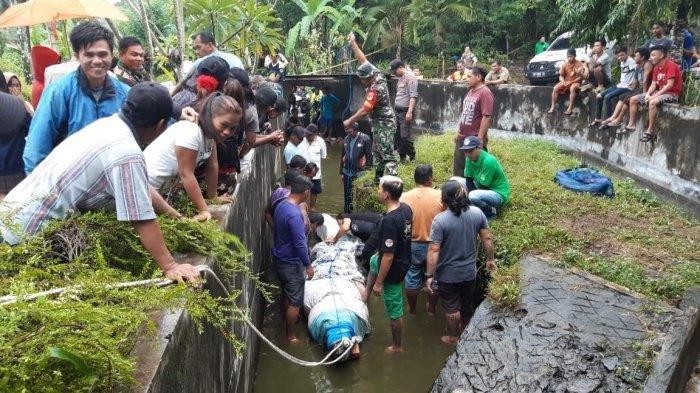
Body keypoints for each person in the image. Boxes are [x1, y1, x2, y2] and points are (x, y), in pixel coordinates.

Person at [0, 83, 201, 283]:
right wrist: (170, 266)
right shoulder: (126, 151)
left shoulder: (108, 126)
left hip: (9, 216)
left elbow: (140, 188)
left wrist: (176, 217)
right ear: (160, 125)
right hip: (23, 238)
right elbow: (141, 217)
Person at [23, 22, 130, 174]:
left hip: (112, 179)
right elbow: (37, 146)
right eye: (89, 54)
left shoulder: (125, 93)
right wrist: (37, 189)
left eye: (102, 54)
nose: (97, 60)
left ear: (111, 55)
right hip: (69, 180)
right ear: (77, 56)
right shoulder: (59, 92)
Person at [144, 93, 241, 221]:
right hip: (146, 190)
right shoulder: (192, 132)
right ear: (209, 117)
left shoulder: (210, 136)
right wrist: (204, 210)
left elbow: (212, 166)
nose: (227, 132)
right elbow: (186, 174)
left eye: (233, 128)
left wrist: (213, 198)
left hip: (160, 194)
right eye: (224, 125)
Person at [426, 180, 495, 345]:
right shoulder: (478, 213)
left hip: (447, 275)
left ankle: (452, 337)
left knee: (451, 308)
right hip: (469, 272)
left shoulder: (440, 220)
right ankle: (466, 334)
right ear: (464, 194)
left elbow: (434, 250)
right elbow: (487, 238)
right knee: (466, 306)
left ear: (444, 199)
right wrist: (490, 259)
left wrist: (429, 274)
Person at [364, 176, 412, 354]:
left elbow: (389, 257)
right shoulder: (406, 208)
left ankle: (397, 346)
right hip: (403, 259)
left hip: (393, 269)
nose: (378, 191)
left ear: (386, 194)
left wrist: (378, 283)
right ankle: (365, 298)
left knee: (394, 310)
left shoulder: (390, 220)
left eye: (379, 189)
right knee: (374, 260)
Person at [343, 33, 398, 183]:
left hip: (384, 123)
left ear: (369, 77)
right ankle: (377, 181)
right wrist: (353, 43)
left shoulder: (376, 89)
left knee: (387, 154)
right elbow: (363, 59)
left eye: (362, 79)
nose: (361, 81)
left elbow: (364, 110)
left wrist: (349, 120)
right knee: (377, 153)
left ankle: (393, 185)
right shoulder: (376, 74)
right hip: (377, 123)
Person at [272, 175, 315, 342]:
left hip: (280, 258)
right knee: (296, 301)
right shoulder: (295, 214)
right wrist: (308, 265)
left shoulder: (281, 206)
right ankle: (291, 336)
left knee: (286, 294)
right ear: (305, 192)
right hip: (291, 262)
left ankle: (284, 322)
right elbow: (300, 245)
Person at [399, 165, 442, 315]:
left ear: (415, 178)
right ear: (430, 178)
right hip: (435, 245)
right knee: (435, 277)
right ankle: (431, 308)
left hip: (413, 244)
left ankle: (412, 310)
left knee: (411, 277)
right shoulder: (441, 195)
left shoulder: (404, 196)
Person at [626, 45, 683, 143]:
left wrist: (654, 96)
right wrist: (648, 94)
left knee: (652, 102)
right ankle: (631, 125)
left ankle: (650, 130)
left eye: (653, 55)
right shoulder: (656, 68)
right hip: (659, 92)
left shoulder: (671, 65)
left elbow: (669, 85)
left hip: (671, 94)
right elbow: (653, 84)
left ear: (661, 55)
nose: (650, 57)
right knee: (633, 99)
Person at [600, 47, 653, 132]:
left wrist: (644, 94)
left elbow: (646, 80)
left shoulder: (647, 64)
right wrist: (632, 89)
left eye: (636, 56)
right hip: (637, 89)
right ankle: (614, 117)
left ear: (642, 57)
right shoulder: (638, 66)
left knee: (628, 98)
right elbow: (635, 81)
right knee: (624, 96)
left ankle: (619, 119)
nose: (634, 58)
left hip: (648, 91)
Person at [453, 66, 494, 177]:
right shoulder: (470, 91)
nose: (467, 79)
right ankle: (459, 192)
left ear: (478, 77)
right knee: (459, 168)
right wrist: (459, 132)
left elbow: (486, 117)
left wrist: (480, 138)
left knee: (478, 169)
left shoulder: (485, 93)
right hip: (463, 136)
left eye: (470, 76)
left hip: (474, 138)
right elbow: (465, 114)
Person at [460, 136, 510, 218]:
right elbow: (468, 180)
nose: (468, 154)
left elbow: (483, 187)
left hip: (498, 194)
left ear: (478, 148)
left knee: (473, 196)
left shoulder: (488, 161)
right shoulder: (469, 158)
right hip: (481, 188)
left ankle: (491, 212)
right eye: (465, 151)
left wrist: (469, 199)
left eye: (470, 150)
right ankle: (472, 206)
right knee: (454, 180)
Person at [0, 72, 31, 196]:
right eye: (11, 85)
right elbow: (33, 130)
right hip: (16, 170)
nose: (15, 89)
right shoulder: (16, 107)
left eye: (17, 85)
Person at [590, 47, 637, 126]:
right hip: (620, 85)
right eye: (618, 56)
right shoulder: (622, 62)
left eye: (622, 55)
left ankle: (608, 120)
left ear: (627, 53)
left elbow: (636, 74)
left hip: (627, 87)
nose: (620, 58)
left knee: (607, 97)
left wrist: (633, 86)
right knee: (599, 96)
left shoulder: (631, 61)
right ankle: (598, 118)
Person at [390, 59, 419, 163]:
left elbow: (413, 96)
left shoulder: (411, 78)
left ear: (400, 68)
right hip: (397, 111)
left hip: (405, 111)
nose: (394, 73)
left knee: (404, 136)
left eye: (395, 71)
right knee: (397, 136)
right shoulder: (401, 79)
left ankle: (412, 156)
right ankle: (402, 158)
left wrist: (410, 112)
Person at [340, 122, 372, 213]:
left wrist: (366, 173)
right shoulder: (346, 139)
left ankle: (359, 214)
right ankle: (347, 213)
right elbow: (342, 156)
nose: (346, 131)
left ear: (355, 129)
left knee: (360, 195)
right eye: (346, 129)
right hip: (347, 172)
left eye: (348, 129)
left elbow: (369, 157)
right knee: (347, 195)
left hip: (359, 173)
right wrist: (341, 172)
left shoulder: (365, 139)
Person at [547, 48, 586, 116]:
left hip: (576, 82)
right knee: (555, 88)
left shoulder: (579, 64)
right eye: (568, 56)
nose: (569, 58)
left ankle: (570, 108)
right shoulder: (565, 64)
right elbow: (561, 76)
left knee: (572, 88)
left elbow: (580, 77)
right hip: (566, 81)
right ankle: (552, 106)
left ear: (575, 56)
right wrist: (563, 82)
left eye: (571, 56)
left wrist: (570, 83)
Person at [302, 124, 327, 208]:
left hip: (315, 174)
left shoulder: (321, 141)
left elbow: (324, 156)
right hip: (303, 172)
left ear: (315, 134)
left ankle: (311, 209)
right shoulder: (302, 140)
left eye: (309, 134)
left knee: (314, 192)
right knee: (302, 190)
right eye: (306, 134)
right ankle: (303, 207)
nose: (307, 136)